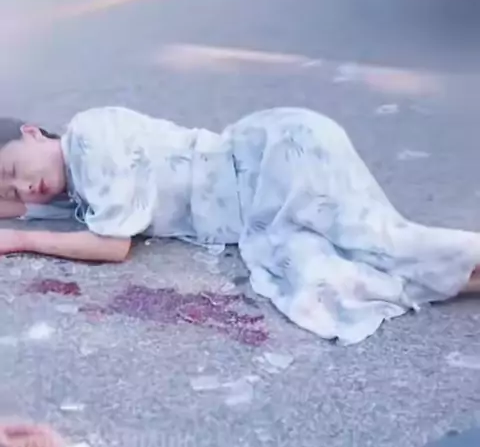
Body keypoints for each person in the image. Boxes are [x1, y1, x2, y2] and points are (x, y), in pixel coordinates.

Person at [1, 107, 480, 345]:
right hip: (261, 200)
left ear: (32, 132)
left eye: (12, 170)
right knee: (330, 277)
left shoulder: (88, 139)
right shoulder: (76, 189)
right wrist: (17, 210)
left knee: (379, 243)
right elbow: (24, 207)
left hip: (274, 158)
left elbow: (112, 245)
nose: (24, 188)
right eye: (11, 191)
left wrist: (21, 240)